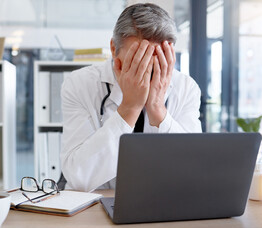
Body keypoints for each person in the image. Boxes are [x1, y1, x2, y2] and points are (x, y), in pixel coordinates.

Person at [60, 3, 202, 192]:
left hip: (162, 202)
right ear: (113, 48)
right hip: (94, 206)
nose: (144, 74)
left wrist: (158, 109)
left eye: (156, 63)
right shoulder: (79, 84)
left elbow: (194, 170)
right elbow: (80, 179)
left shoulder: (186, 88)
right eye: (136, 62)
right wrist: (129, 108)